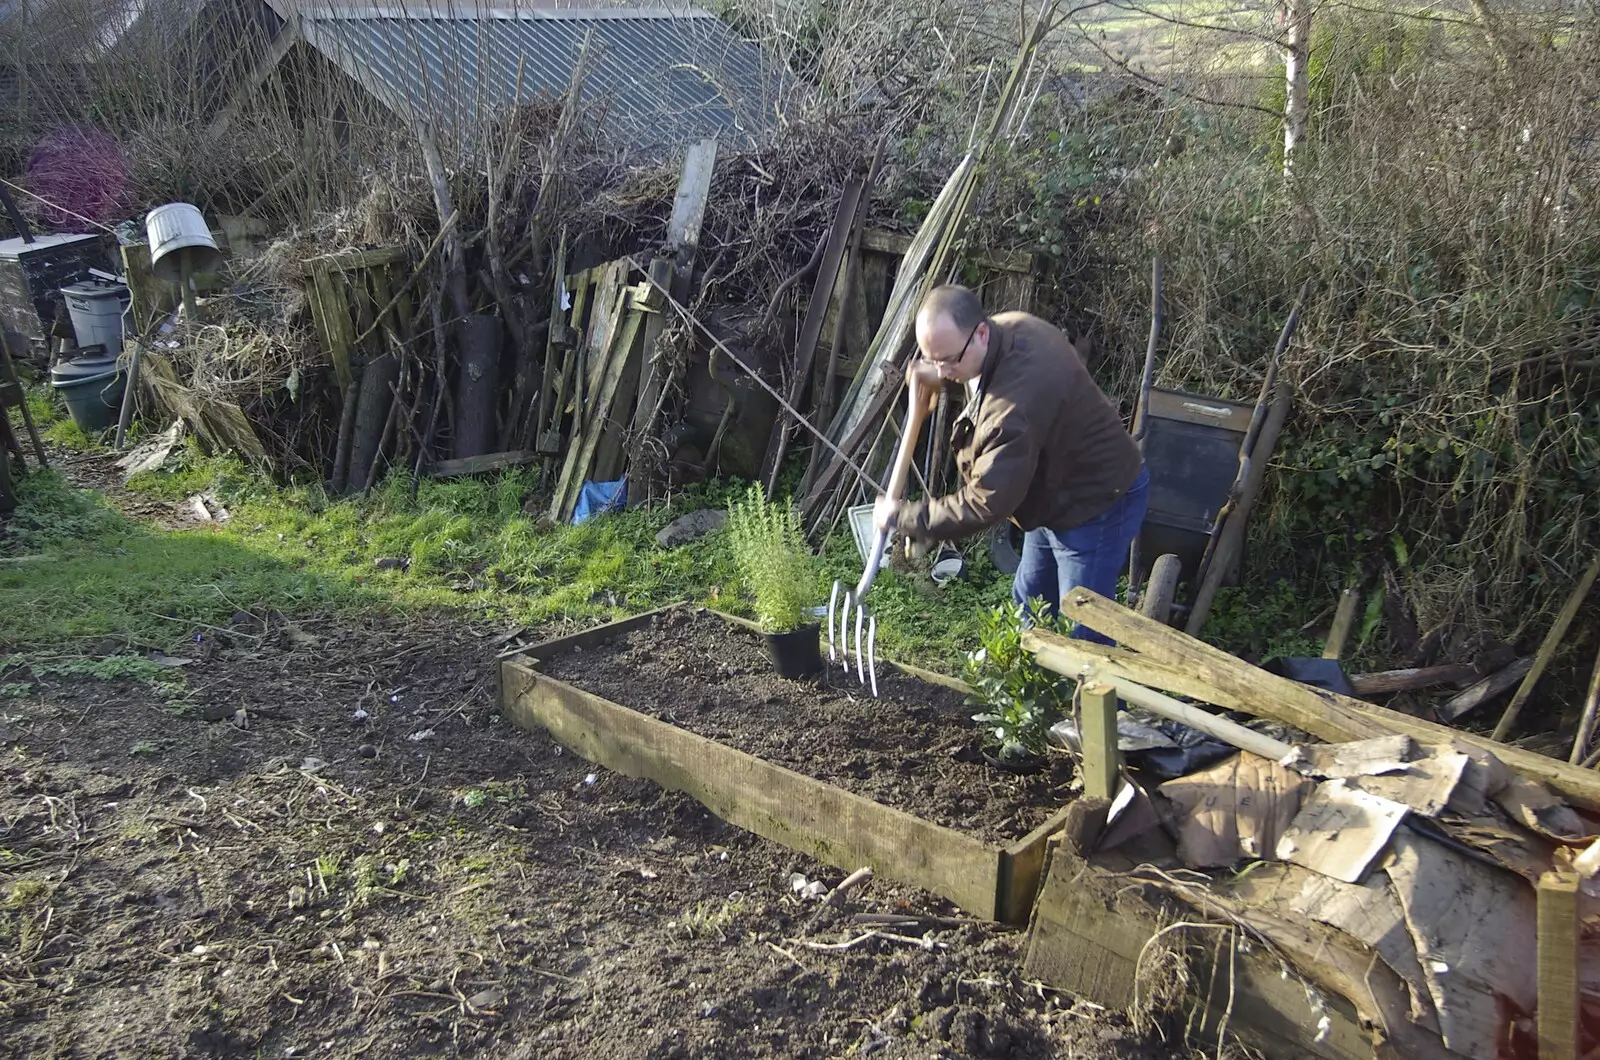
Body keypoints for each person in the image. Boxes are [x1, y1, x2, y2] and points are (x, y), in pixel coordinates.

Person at [872, 285, 1149, 643]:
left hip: (1097, 502)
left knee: (1085, 630)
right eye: (931, 357)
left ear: (981, 333)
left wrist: (904, 517)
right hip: (1052, 493)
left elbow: (985, 502)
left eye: (948, 359)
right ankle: (1034, 692)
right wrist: (938, 370)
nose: (940, 369)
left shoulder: (1013, 408)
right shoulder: (1008, 329)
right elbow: (968, 376)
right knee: (1030, 603)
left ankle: (1094, 697)